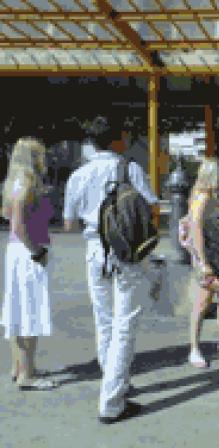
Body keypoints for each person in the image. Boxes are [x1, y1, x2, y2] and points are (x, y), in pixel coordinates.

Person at [63, 116, 159, 423]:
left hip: (94, 252)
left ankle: (113, 382)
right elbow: (151, 207)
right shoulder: (130, 169)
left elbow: (68, 223)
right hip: (127, 254)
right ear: (118, 139)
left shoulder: (78, 175)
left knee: (104, 321)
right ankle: (112, 401)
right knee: (125, 326)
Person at [1, 137, 57, 391]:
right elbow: (18, 225)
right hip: (28, 251)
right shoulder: (27, 184)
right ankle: (28, 374)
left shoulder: (13, 183)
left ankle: (19, 367)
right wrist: (36, 251)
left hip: (15, 251)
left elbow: (6, 215)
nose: (44, 159)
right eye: (40, 155)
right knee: (29, 313)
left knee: (16, 310)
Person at [185, 157, 219, 368]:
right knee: (203, 302)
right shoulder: (202, 198)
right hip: (208, 256)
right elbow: (196, 231)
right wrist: (203, 262)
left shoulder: (210, 196)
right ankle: (194, 347)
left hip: (218, 254)